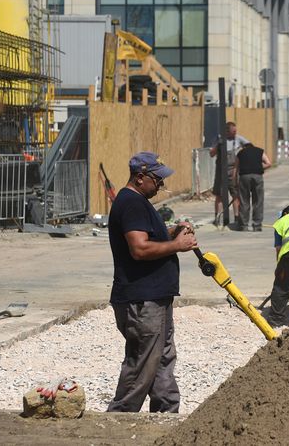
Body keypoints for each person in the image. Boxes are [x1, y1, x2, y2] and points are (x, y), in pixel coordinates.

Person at [106, 151, 198, 413]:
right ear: (139, 177)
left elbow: (147, 236)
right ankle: (117, 422)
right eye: (157, 180)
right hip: (141, 301)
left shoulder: (139, 202)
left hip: (155, 298)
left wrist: (170, 231)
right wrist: (177, 245)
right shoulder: (131, 203)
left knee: (162, 358)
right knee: (142, 364)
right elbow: (139, 249)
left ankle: (166, 416)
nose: (161, 185)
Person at [210, 121, 249, 229]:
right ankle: (217, 218)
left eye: (236, 131)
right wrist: (218, 145)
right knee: (219, 195)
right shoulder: (219, 139)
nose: (235, 133)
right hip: (220, 172)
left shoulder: (239, 139)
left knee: (235, 195)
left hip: (233, 171)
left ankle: (237, 218)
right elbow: (211, 154)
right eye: (233, 131)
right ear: (227, 131)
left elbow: (250, 147)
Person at [234, 142, 272, 231]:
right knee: (258, 201)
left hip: (244, 177)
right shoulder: (259, 151)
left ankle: (244, 225)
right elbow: (268, 163)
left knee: (244, 201)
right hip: (257, 176)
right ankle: (257, 225)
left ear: (244, 147)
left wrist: (234, 183)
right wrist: (259, 168)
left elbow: (235, 169)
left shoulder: (240, 153)